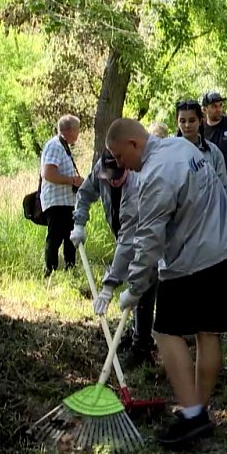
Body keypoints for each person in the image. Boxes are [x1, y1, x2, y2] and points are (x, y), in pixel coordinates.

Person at [99, 118, 227, 448]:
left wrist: (134, 289)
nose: (121, 165)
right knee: (209, 334)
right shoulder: (181, 146)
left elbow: (147, 239)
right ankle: (199, 415)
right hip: (226, 250)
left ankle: (192, 414)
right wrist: (114, 279)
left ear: (134, 145)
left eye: (121, 157)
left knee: (164, 332)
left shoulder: (155, 176)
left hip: (194, 260)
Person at [72, 150, 158, 369]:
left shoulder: (136, 186)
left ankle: (142, 346)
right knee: (136, 285)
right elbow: (84, 193)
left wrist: (109, 285)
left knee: (143, 285)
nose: (112, 181)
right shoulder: (101, 172)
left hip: (146, 238)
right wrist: (79, 223)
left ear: (126, 167)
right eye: (109, 177)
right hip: (124, 234)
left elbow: (127, 241)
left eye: (117, 176)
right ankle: (135, 332)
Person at [40, 114, 83, 278]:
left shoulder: (63, 147)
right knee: (55, 238)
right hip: (56, 202)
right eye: (77, 129)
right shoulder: (55, 146)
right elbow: (48, 173)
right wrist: (72, 180)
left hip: (66, 202)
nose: (78, 133)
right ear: (70, 130)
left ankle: (70, 271)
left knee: (70, 239)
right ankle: (49, 272)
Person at [176, 99, 227, 184]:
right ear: (177, 123)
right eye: (182, 121)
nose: (187, 125)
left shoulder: (213, 152)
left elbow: (222, 185)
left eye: (192, 120)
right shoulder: (171, 152)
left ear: (200, 121)